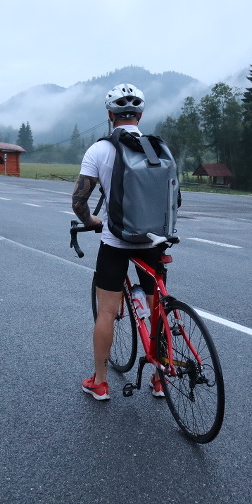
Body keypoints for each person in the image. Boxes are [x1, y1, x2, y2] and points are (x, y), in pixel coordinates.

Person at [72, 83, 166, 401]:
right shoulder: (157, 147)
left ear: (110, 115)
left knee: (107, 312)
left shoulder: (99, 150)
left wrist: (90, 222)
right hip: (155, 240)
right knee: (158, 309)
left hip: (116, 241)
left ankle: (100, 381)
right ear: (140, 115)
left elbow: (79, 200)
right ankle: (160, 378)